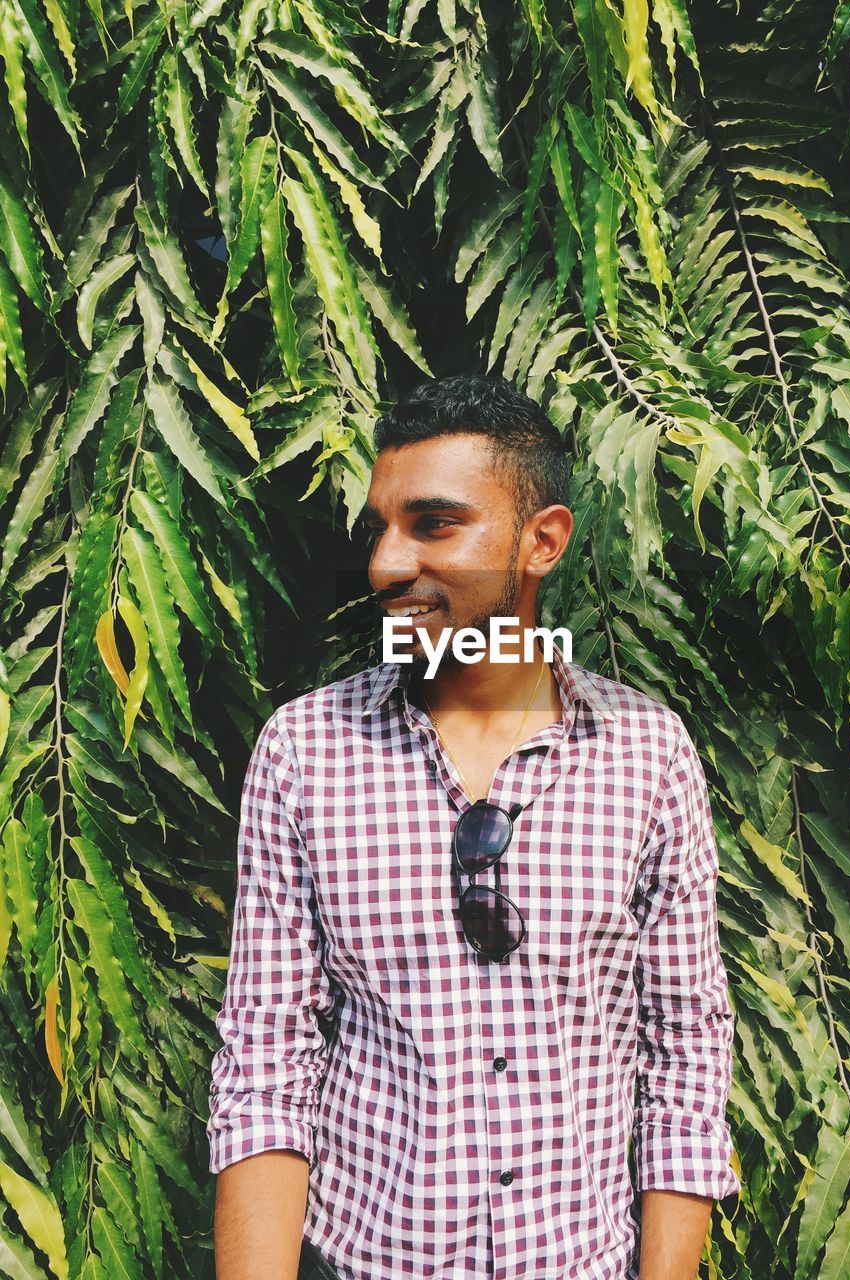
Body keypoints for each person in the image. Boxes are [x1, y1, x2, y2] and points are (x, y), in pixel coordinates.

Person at [207, 376, 740, 1280]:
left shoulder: (648, 755)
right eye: (381, 526)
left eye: (434, 524)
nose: (385, 562)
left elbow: (685, 1055)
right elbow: (266, 1061)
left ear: (542, 542)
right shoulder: (304, 752)